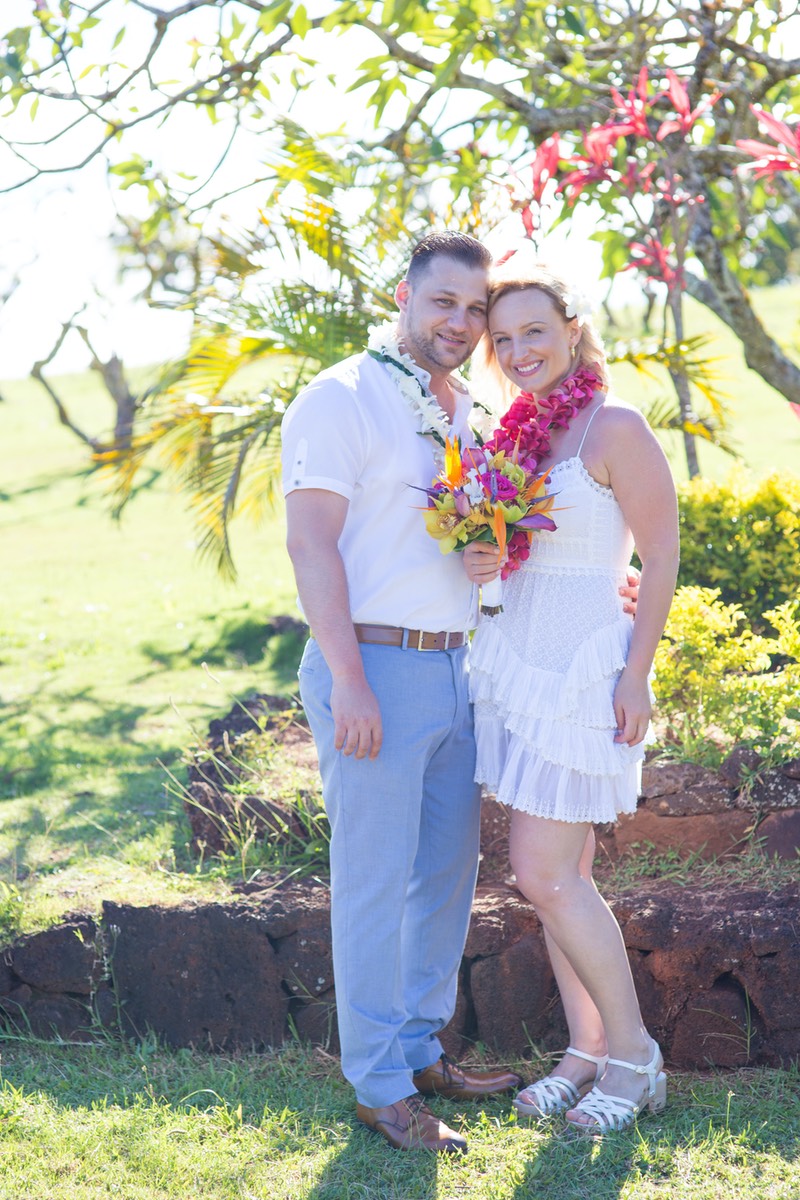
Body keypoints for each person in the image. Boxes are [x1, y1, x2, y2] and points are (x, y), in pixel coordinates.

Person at [280, 231, 523, 1155]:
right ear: (404, 297)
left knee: (446, 878)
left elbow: (464, 532)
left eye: (474, 309)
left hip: (459, 666)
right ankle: (379, 1084)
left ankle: (422, 1048)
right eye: (443, 303)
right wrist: (349, 681)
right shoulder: (341, 397)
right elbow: (312, 547)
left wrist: (486, 557)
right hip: (373, 666)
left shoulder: (468, 409)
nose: (459, 323)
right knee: (376, 883)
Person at [463, 261, 680, 1134]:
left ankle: (634, 1056)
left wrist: (637, 672)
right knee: (567, 878)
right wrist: (483, 557)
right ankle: (583, 1052)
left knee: (542, 872)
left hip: (586, 668)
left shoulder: (613, 425)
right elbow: (512, 552)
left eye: (533, 332)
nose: (518, 351)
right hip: (517, 662)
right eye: (503, 339)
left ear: (573, 329)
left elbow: (659, 555)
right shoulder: (512, 433)